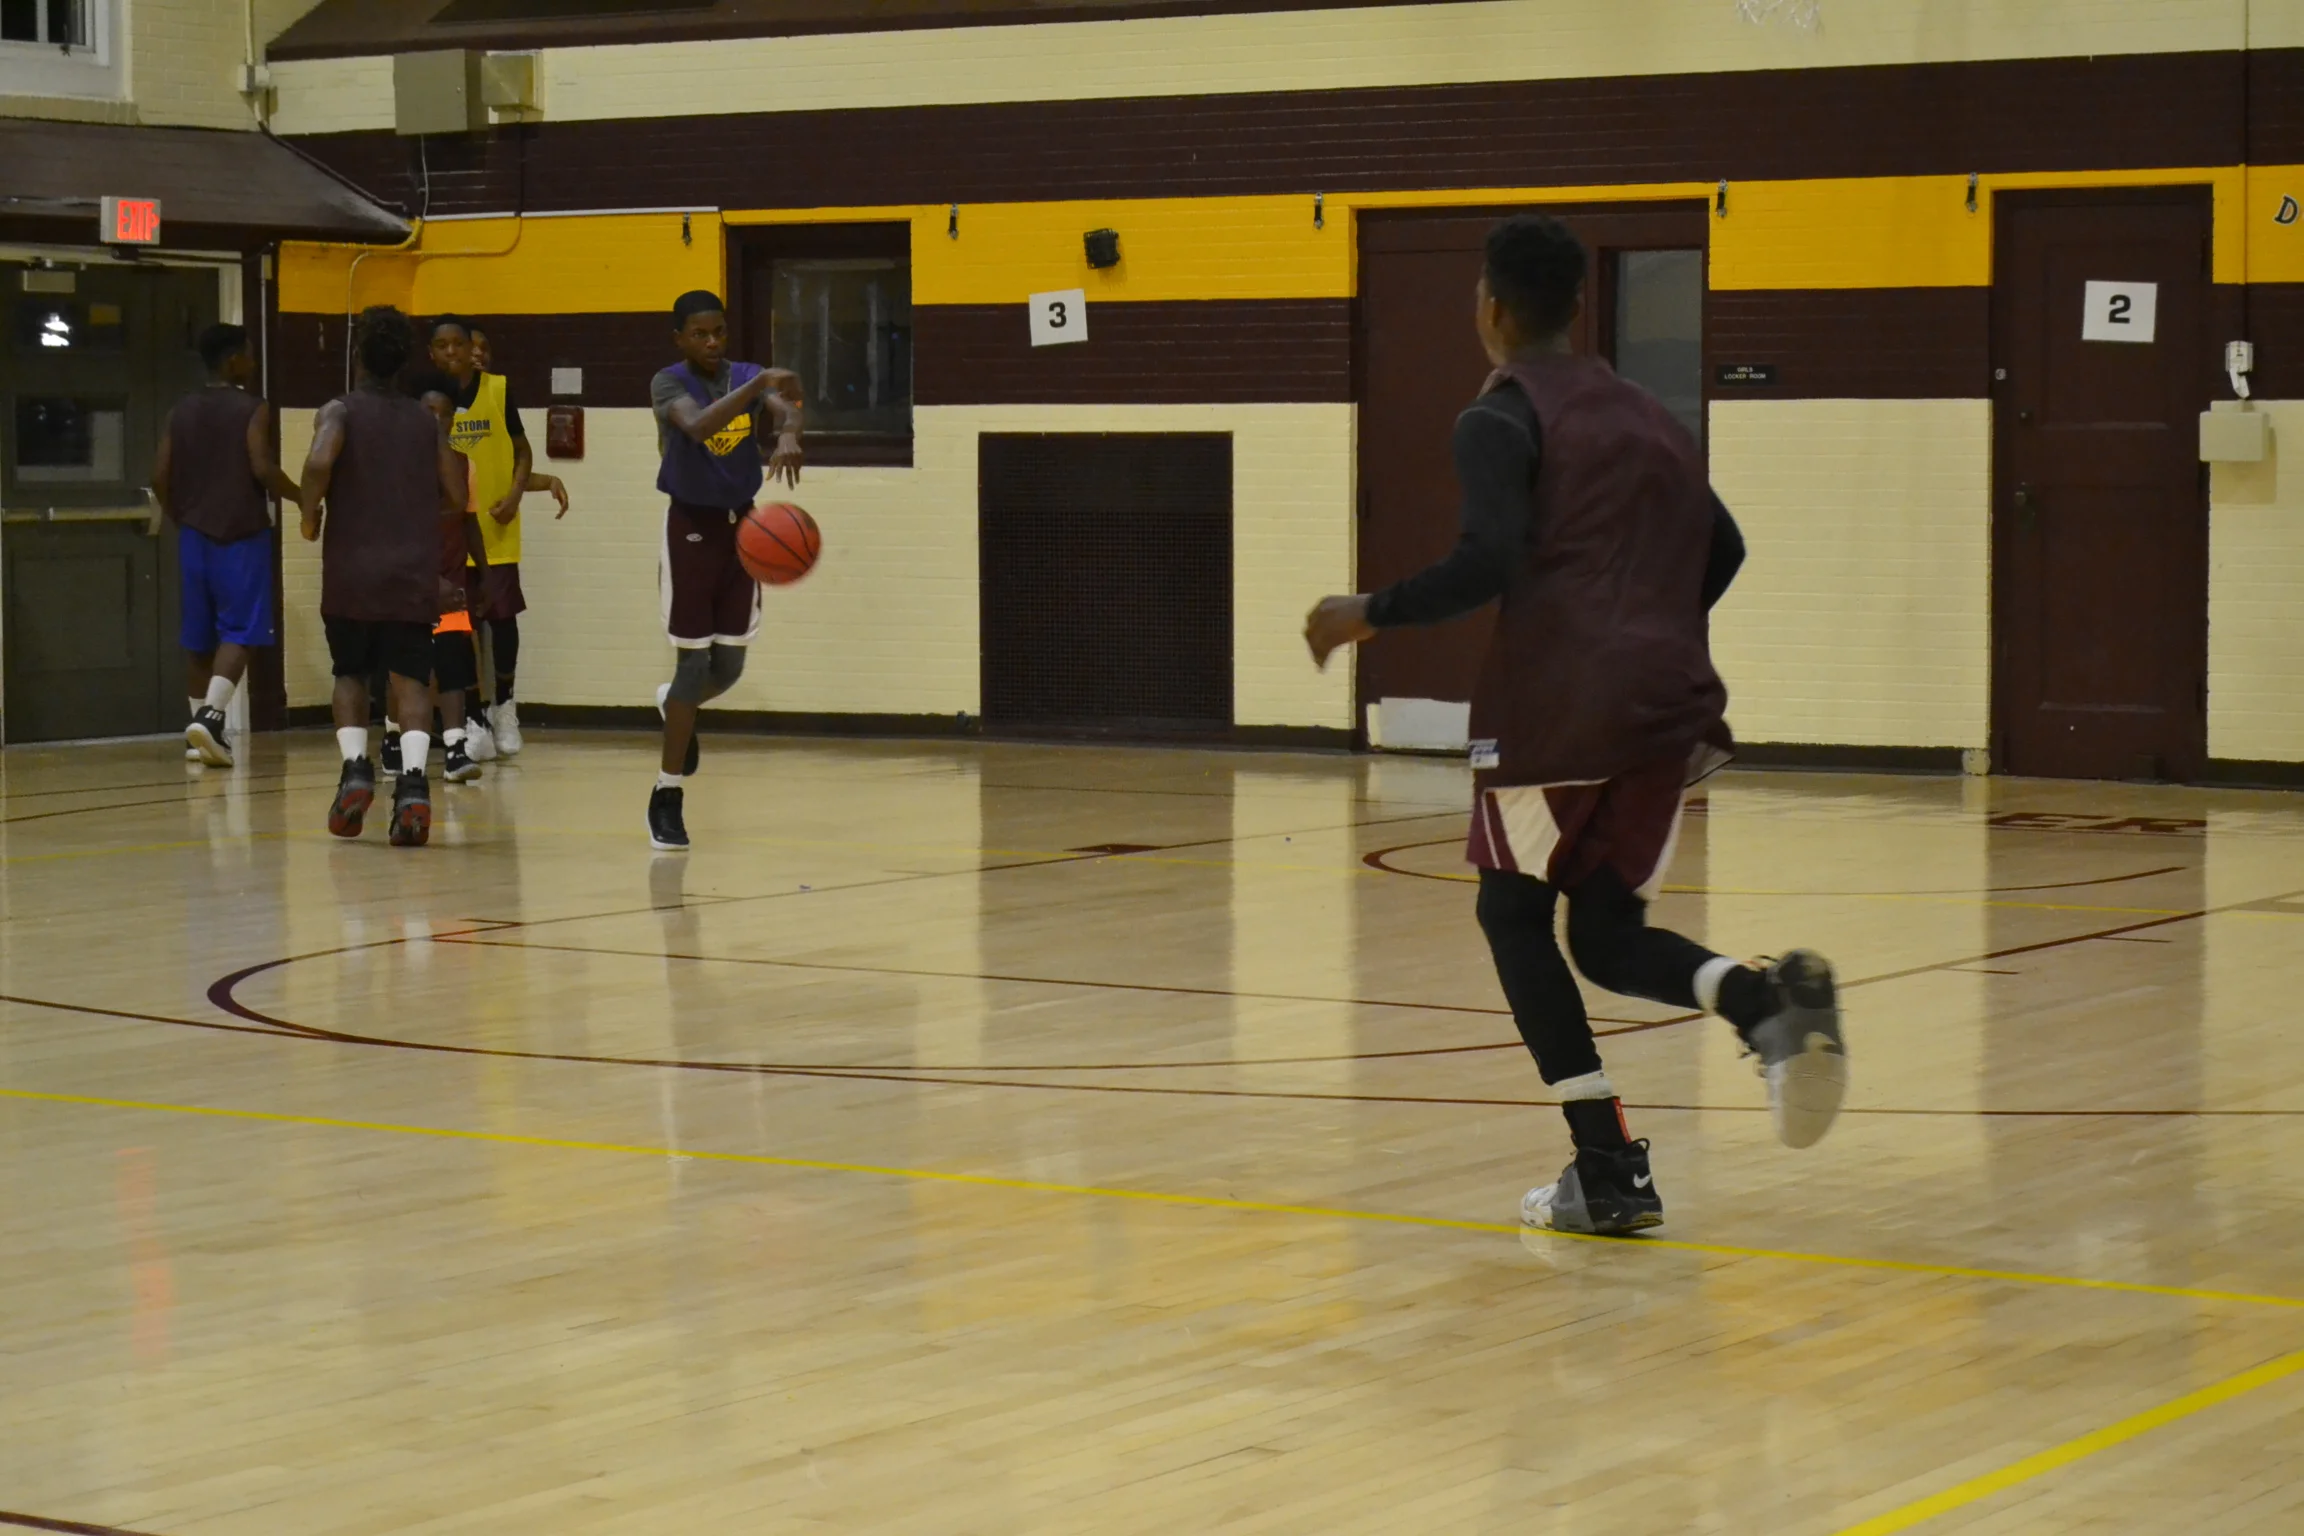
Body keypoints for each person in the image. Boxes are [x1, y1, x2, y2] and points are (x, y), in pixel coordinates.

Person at [1303, 215, 1847, 1237]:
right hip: (1670, 707)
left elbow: (1487, 562)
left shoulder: (1499, 418)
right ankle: (1763, 1007)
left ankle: (1606, 1166)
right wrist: (1646, 629)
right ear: (1578, 307)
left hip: (1558, 712)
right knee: (1601, 933)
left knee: (1510, 917)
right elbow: (1723, 547)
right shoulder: (1645, 414)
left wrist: (1365, 612)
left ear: (1493, 309)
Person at [299, 306, 467, 848]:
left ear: (358, 357)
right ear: (404, 362)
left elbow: (321, 461)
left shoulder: (339, 410)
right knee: (412, 682)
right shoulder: (425, 421)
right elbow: (458, 495)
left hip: (351, 570)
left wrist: (309, 511)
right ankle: (415, 786)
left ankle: (354, 770)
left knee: (350, 675)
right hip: (410, 573)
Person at [646, 288, 802, 851]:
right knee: (693, 668)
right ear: (680, 339)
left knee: (729, 669)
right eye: (700, 334)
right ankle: (667, 795)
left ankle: (674, 705)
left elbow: (789, 404)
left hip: (744, 529)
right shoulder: (669, 384)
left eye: (719, 332)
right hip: (691, 528)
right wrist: (757, 389)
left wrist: (785, 428)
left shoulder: (747, 373)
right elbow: (699, 426)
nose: (712, 343)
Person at [153, 323, 299, 767]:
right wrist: (299, 494)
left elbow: (159, 476)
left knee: (199, 639)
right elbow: (260, 466)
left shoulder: (181, 410)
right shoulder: (251, 407)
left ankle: (196, 735)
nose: (252, 364)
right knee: (241, 630)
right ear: (233, 359)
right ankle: (212, 722)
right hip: (240, 532)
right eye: (249, 356)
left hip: (194, 535)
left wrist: (182, 518)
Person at [425, 314, 561, 759]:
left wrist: (518, 491)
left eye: (458, 346)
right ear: (432, 353)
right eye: (441, 346)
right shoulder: (426, 400)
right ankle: (469, 713)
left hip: (494, 527)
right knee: (457, 629)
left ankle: (504, 705)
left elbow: (521, 450)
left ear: (471, 349)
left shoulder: (497, 391)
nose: (451, 354)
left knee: (502, 621)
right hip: (447, 537)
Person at [407, 369, 497, 785]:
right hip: (407, 581)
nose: (437, 421)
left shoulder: (463, 465)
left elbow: (470, 522)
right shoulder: (398, 465)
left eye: (445, 414)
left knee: (453, 663)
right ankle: (398, 741)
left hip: (451, 578)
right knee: (406, 665)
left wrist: (486, 572)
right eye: (429, 412)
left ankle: (457, 747)